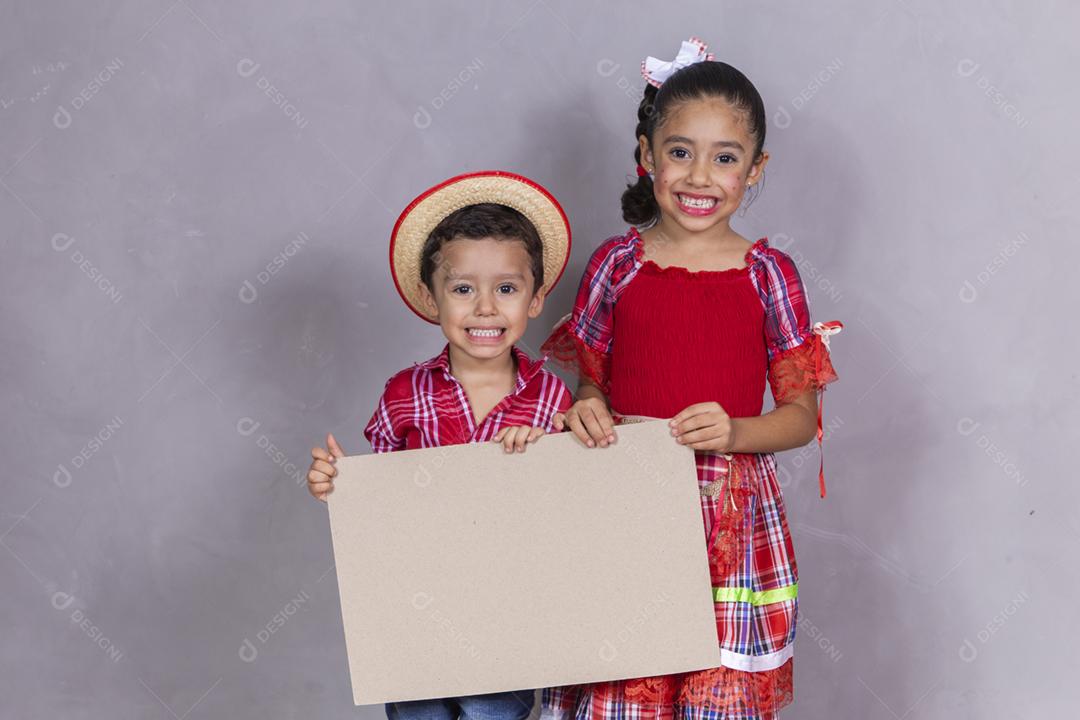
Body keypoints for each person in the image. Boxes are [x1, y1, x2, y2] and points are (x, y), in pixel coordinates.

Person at [539, 39, 843, 719]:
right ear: (645, 156)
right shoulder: (615, 266)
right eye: (679, 152)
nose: (699, 175)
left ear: (755, 169)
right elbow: (591, 384)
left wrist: (737, 431)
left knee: (714, 695)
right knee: (622, 686)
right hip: (624, 502)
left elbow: (799, 415)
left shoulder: (770, 276)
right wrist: (585, 408)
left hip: (729, 514)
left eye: (725, 158)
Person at [307, 171, 575, 720]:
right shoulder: (404, 393)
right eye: (461, 288)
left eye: (506, 288)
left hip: (508, 617)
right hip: (418, 612)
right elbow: (380, 498)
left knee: (490, 713)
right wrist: (339, 483)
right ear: (432, 299)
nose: (484, 308)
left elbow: (567, 511)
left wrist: (546, 452)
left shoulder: (551, 397)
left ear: (536, 299)